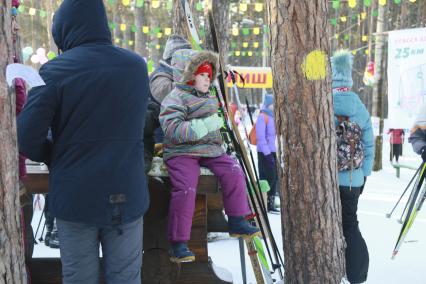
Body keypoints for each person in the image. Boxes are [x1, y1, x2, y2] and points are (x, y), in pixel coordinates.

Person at [17, 1, 149, 283]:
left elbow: (27, 138)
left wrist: (57, 155)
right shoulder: (137, 67)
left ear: (64, 30)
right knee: (126, 278)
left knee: (79, 278)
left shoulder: (55, 71)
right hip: (127, 192)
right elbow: (144, 124)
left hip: (76, 195)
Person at [159, 49, 260, 263]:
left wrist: (219, 129)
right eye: (202, 74)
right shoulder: (175, 98)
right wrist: (204, 126)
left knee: (233, 171)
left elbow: (215, 128)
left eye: (209, 75)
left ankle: (236, 219)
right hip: (182, 151)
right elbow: (173, 129)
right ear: (189, 76)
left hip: (210, 150)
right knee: (186, 187)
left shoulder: (210, 97)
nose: (207, 79)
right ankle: (178, 242)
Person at [331, 50, 375, 284]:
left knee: (330, 225)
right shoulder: (358, 105)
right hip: (353, 179)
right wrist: (364, 174)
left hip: (328, 180)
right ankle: (357, 273)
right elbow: (368, 142)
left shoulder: (323, 102)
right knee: (350, 224)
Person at [255, 94, 279, 213]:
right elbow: (260, 137)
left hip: (272, 151)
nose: (274, 106)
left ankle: (270, 203)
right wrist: (267, 154)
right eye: (272, 104)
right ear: (268, 104)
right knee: (267, 177)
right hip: (264, 152)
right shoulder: (262, 116)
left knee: (274, 178)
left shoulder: (273, 117)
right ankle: (264, 202)